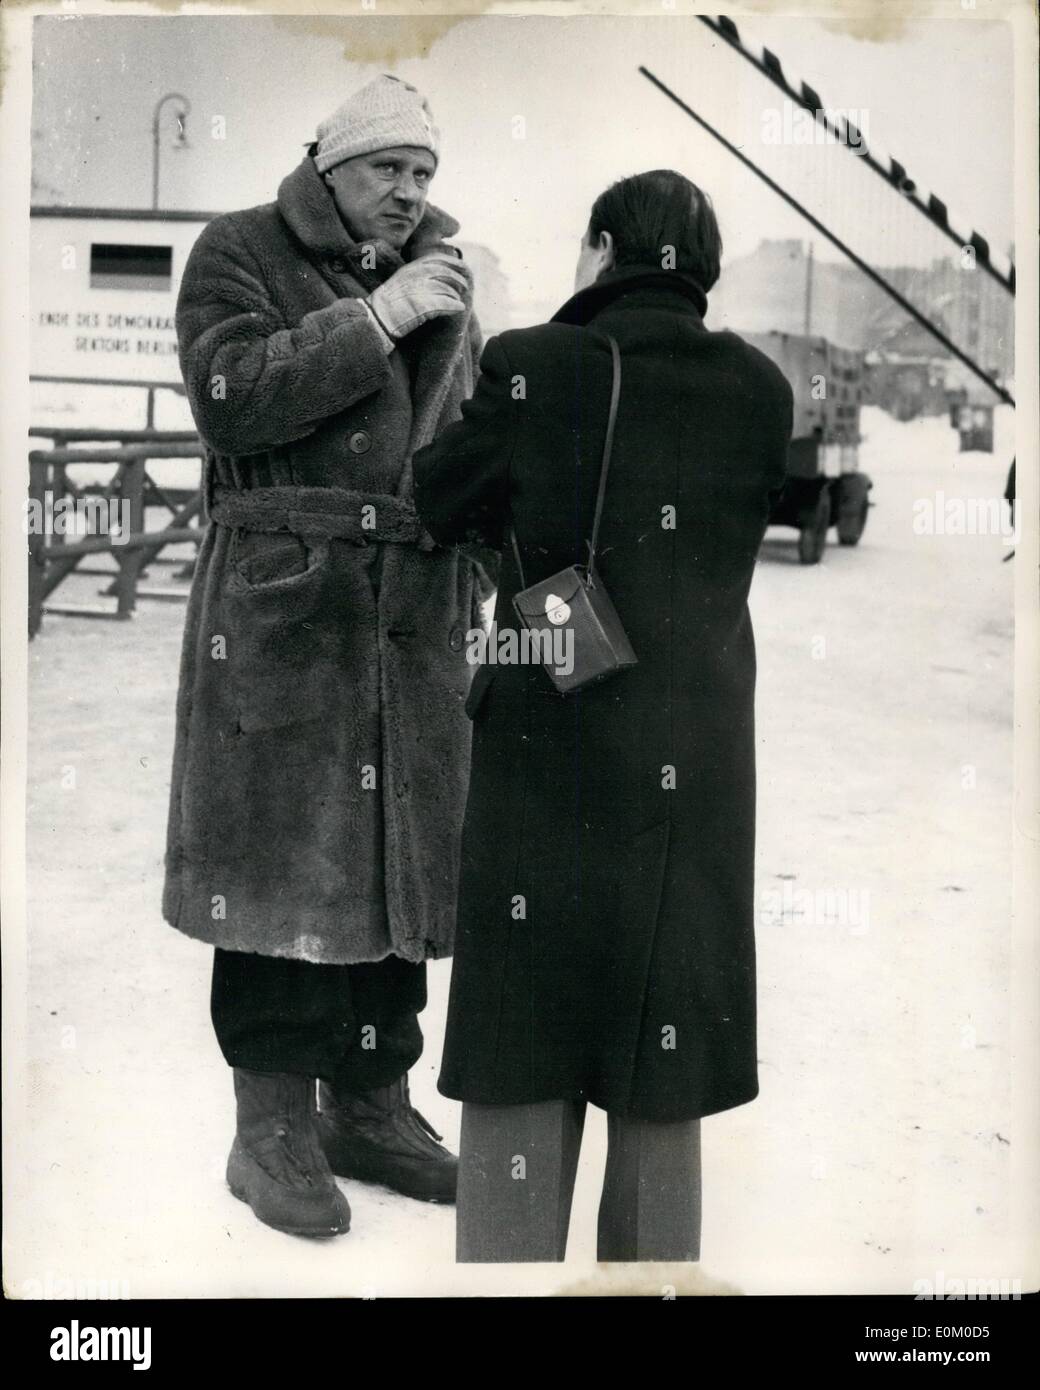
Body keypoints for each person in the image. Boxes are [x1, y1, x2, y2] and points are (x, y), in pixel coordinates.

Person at [413, 170, 793, 1262]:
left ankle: (508, 1278)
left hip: (554, 744)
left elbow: (442, 499)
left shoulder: (532, 364)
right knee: (660, 1036)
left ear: (599, 247)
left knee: (527, 1030)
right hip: (698, 754)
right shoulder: (762, 388)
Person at [163, 74, 491, 1238]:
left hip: (410, 611)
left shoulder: (452, 277)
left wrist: (522, 596)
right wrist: (380, 317)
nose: (408, 191)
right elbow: (230, 398)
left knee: (394, 870)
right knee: (277, 873)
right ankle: (270, 1128)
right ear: (330, 165)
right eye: (387, 167)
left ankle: (369, 1102)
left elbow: (464, 447)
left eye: (423, 173)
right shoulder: (239, 251)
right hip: (284, 610)